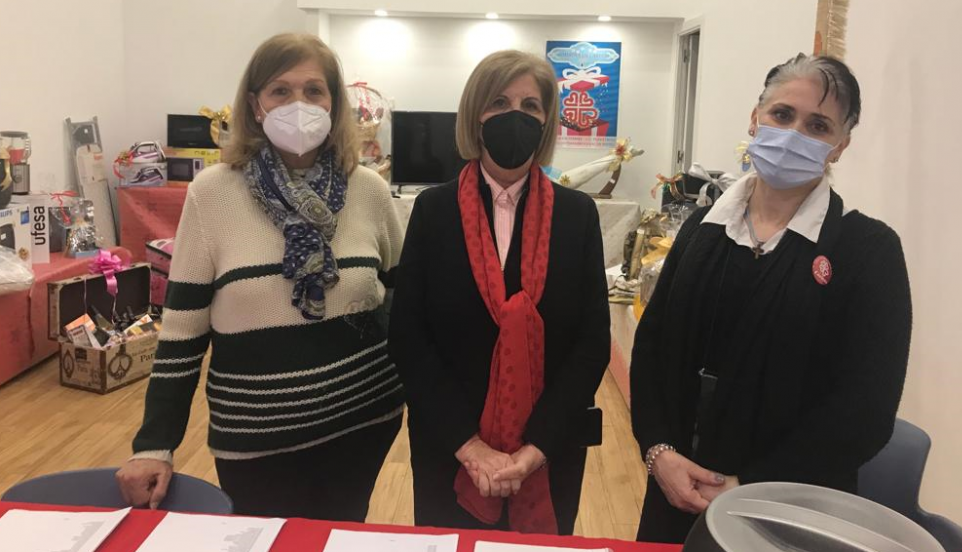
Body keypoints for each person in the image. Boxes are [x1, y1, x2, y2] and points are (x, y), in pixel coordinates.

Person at [115, 33, 405, 521]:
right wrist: (155, 444)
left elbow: (398, 304)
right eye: (280, 90)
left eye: (314, 91)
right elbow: (182, 332)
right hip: (257, 437)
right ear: (254, 104)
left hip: (364, 420)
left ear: (335, 104)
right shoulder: (213, 195)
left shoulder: (369, 190)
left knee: (344, 532)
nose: (299, 104)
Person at [630, 54, 913, 543]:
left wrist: (748, 488)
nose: (795, 134)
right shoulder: (702, 230)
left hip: (791, 510)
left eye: (818, 126)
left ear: (840, 146)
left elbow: (865, 409)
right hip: (675, 491)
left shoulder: (869, 251)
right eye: (783, 115)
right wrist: (659, 452)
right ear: (755, 118)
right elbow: (653, 348)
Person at [388, 50, 610, 535]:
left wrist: (534, 449)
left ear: (548, 119)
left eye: (531, 106)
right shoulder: (432, 210)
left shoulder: (578, 216)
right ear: (475, 115)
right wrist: (471, 449)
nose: (516, 116)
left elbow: (592, 342)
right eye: (499, 102)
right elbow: (408, 337)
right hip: (450, 452)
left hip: (550, 453)